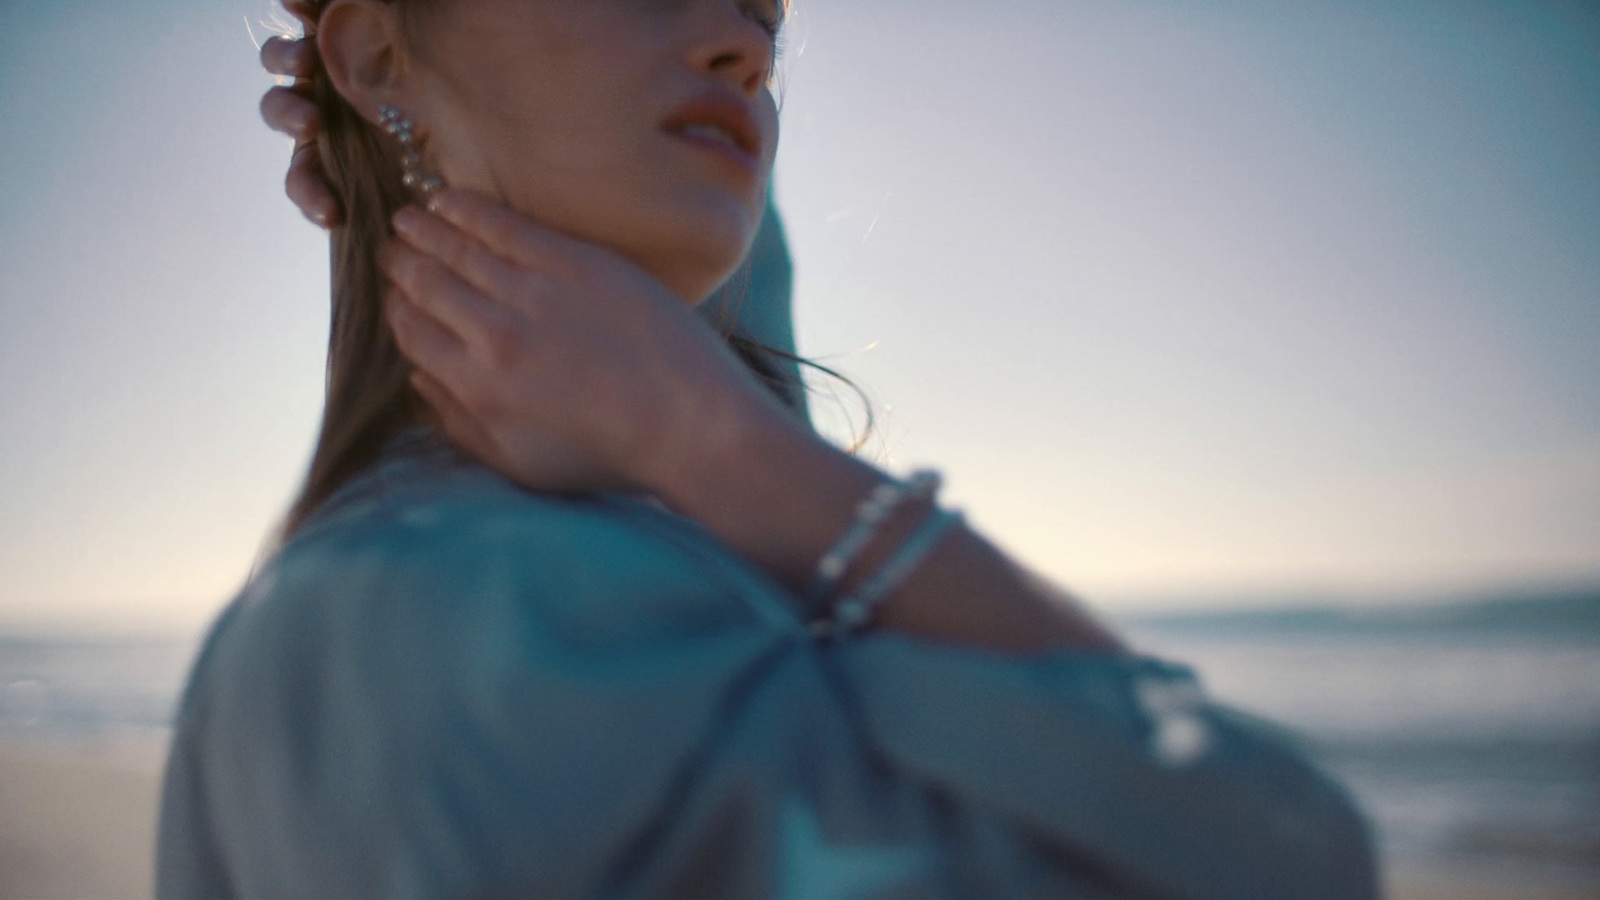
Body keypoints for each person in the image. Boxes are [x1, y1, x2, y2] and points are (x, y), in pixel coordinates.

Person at [156, 1, 1379, 896]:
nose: (743, 46)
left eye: (763, 12)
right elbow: (1282, 849)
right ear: (369, 48)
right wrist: (722, 444)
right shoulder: (497, 623)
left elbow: (740, 283)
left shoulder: (396, 586)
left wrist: (415, 97)